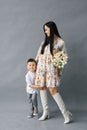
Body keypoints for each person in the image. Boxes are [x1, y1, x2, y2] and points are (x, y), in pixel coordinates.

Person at [31, 21, 72, 124]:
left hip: (52, 69)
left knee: (53, 90)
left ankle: (66, 114)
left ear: (52, 29)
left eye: (46, 29)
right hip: (41, 67)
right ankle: (46, 112)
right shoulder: (44, 41)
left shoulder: (60, 42)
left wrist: (59, 69)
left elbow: (64, 57)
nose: (45, 31)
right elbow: (38, 53)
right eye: (44, 29)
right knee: (42, 87)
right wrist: (34, 64)